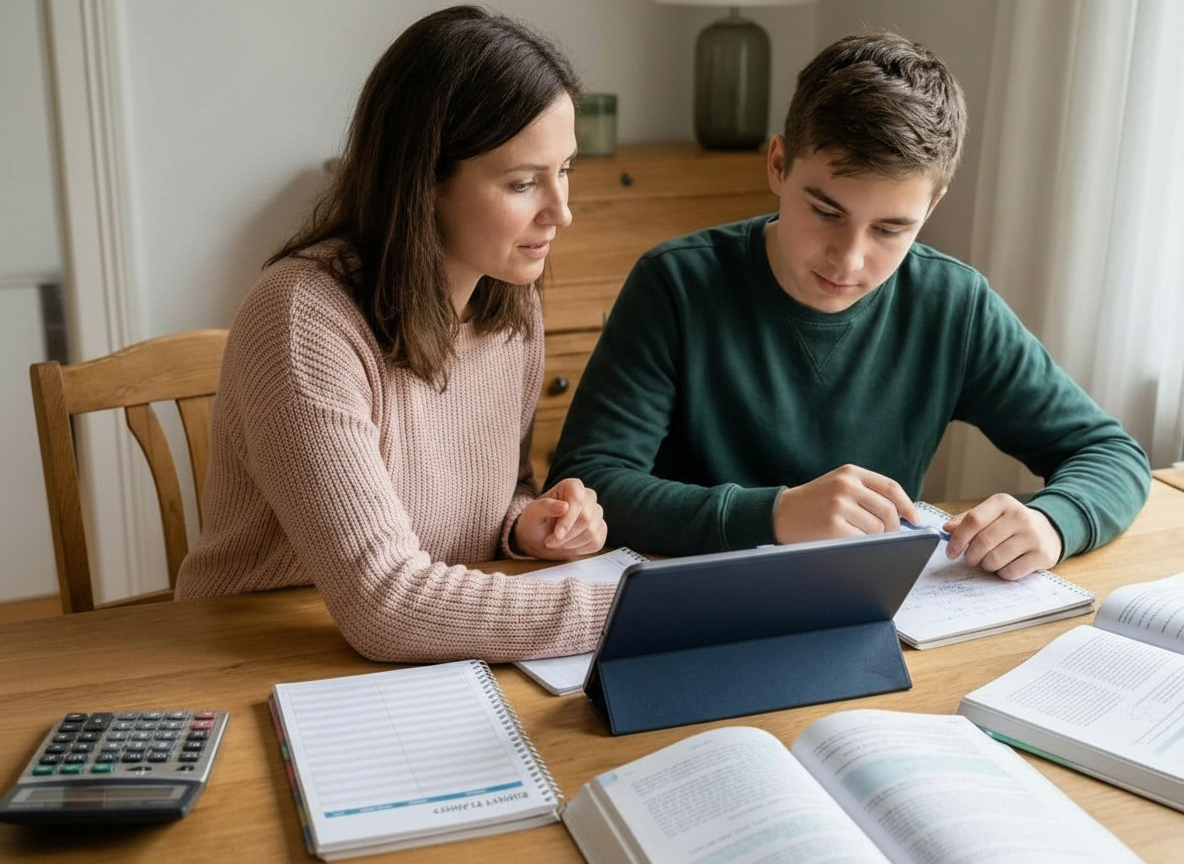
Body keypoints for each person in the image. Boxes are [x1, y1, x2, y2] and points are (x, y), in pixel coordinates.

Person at [546, 31, 1150, 580]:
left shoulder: (952, 303)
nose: (848, 259)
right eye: (826, 212)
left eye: (890, 229)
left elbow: (1109, 453)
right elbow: (588, 485)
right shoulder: (676, 285)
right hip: (692, 606)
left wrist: (1053, 521)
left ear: (931, 208)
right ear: (779, 165)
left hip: (870, 616)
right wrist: (776, 514)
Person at [176, 6, 616, 663]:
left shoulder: (511, 305)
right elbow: (387, 604)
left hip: (426, 658)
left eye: (566, 170)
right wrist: (632, 609)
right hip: (252, 653)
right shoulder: (299, 320)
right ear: (426, 181)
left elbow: (480, 505)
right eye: (523, 182)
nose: (563, 212)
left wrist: (526, 527)